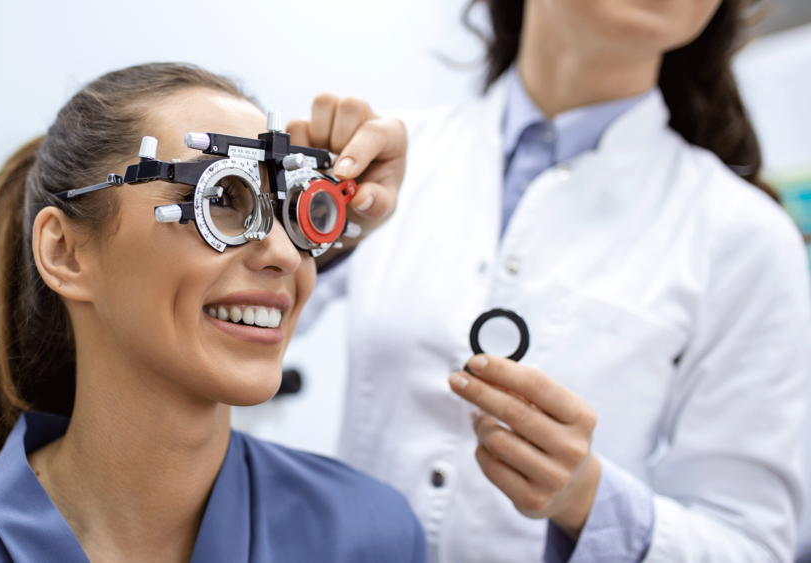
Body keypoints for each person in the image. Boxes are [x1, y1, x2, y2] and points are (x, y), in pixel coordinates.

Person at [0, 63, 426, 563]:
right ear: (65, 252)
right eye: (222, 199)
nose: (280, 253)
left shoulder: (367, 535)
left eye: (293, 211)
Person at [289, 0, 811, 560]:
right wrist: (308, 223)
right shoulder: (378, 159)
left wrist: (588, 499)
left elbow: (751, 544)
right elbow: (205, 339)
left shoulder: (747, 236)